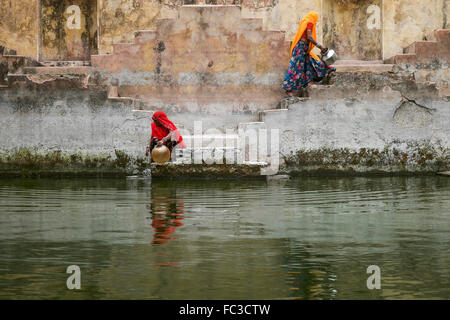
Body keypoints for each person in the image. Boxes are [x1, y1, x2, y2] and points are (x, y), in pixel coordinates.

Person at [282, 11, 336, 97]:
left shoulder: (305, 21)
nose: (316, 21)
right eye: (316, 19)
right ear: (314, 17)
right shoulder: (310, 22)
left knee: (309, 63)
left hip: (303, 47)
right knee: (295, 67)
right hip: (301, 48)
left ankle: (310, 82)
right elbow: (309, 36)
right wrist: (320, 46)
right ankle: (288, 90)